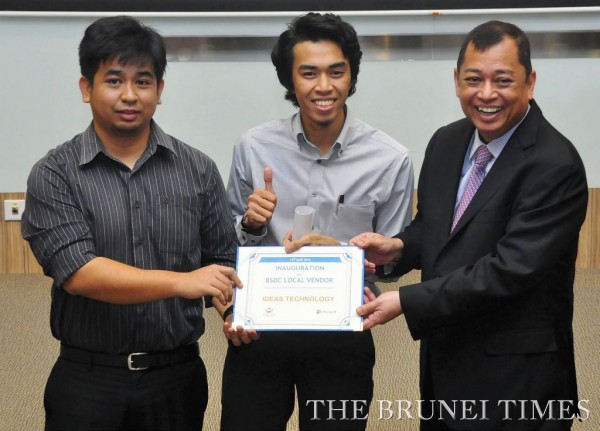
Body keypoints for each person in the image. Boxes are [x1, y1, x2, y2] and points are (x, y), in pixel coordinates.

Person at [352, 20, 588, 430]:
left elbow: (510, 269)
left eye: (503, 80)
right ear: (456, 81)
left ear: (530, 82)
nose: (486, 94)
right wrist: (399, 247)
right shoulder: (447, 142)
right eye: (473, 79)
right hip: (446, 366)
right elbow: (438, 228)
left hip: (518, 381)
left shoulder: (555, 164)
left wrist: (407, 301)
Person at [21, 16, 241, 431]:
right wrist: (182, 282)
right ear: (87, 89)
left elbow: (220, 262)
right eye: (114, 80)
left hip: (176, 377)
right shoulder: (54, 173)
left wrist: (235, 312)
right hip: (88, 379)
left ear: (159, 91)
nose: (129, 95)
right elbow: (80, 272)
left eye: (142, 81)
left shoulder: (197, 169)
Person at [222, 12, 414, 431]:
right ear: (290, 80)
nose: (323, 86)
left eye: (336, 72)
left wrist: (352, 256)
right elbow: (228, 247)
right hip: (262, 327)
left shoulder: (389, 158)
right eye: (308, 73)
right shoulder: (253, 147)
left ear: (352, 76)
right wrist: (253, 226)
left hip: (341, 330)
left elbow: (395, 260)